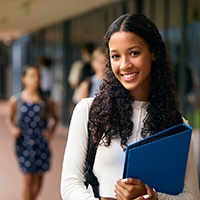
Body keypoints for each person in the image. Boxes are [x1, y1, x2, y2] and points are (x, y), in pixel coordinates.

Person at [60, 13, 200, 200]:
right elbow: (70, 185)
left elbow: (191, 195)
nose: (124, 65)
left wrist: (154, 198)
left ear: (153, 52)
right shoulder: (88, 111)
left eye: (134, 53)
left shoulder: (175, 123)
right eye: (116, 56)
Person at [7, 65, 58, 200]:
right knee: (28, 179)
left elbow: (55, 119)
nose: (35, 79)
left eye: (38, 76)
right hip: (24, 144)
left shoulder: (47, 101)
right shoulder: (16, 100)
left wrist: (50, 132)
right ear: (24, 79)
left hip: (41, 143)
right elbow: (9, 119)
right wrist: (13, 129)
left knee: (40, 180)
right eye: (31, 76)